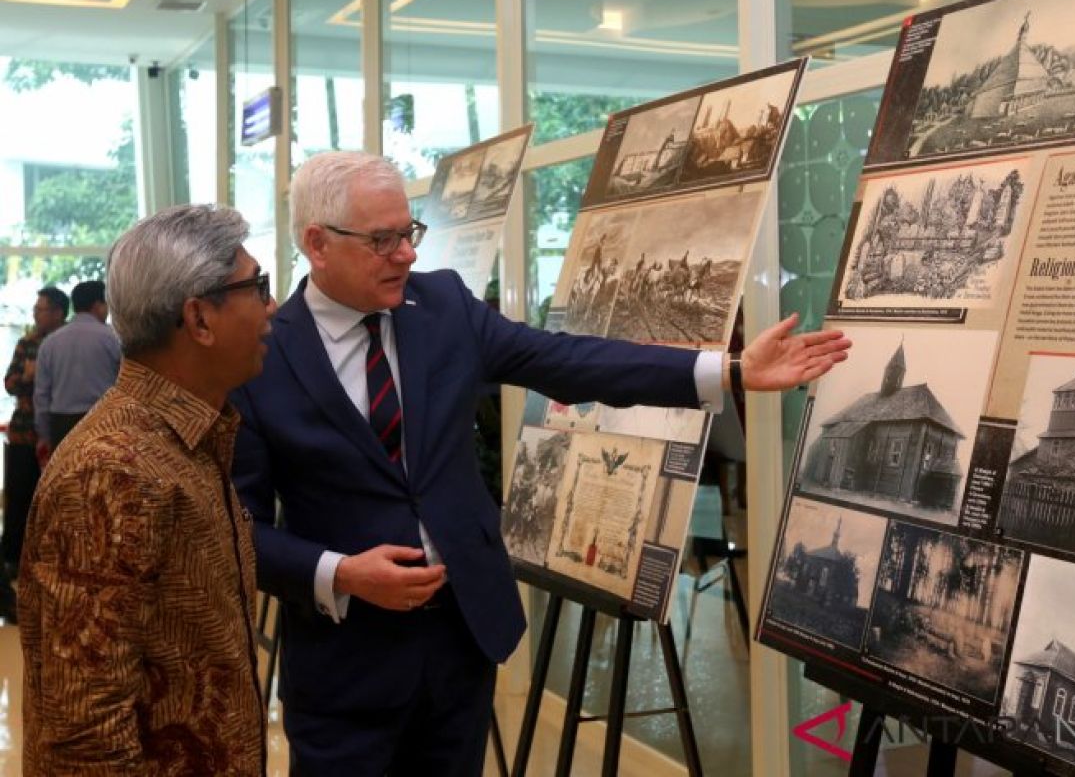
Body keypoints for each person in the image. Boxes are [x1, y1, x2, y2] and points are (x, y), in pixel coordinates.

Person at [231, 150, 851, 775]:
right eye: (383, 239)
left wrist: (730, 370)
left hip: (461, 638)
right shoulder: (263, 359)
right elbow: (238, 531)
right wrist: (340, 572)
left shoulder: (442, 307)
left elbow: (569, 361)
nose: (407, 254)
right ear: (317, 243)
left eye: (409, 232)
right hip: (346, 665)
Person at [20, 204, 276, 774]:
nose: (271, 306)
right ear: (199, 319)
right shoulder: (113, 472)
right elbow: (84, 732)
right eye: (257, 287)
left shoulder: (189, 440)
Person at [1, 287, 67, 596]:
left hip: (58, 434)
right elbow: (9, 383)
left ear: (58, 313)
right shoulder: (27, 343)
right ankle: (12, 559)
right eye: (35, 309)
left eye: (41, 309)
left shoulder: (69, 344)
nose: (35, 314)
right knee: (18, 497)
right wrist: (27, 378)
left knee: (55, 500)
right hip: (24, 432)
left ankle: (49, 559)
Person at [33, 279, 121, 456]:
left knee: (66, 480)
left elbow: (41, 395)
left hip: (61, 425)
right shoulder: (113, 339)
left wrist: (44, 434)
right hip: (102, 422)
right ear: (98, 305)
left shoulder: (50, 343)